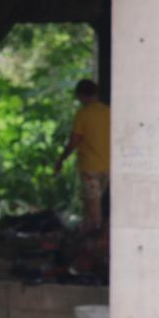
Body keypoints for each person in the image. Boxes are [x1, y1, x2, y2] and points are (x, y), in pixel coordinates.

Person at [54, 79, 110, 232]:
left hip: (90, 167)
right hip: (107, 167)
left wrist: (61, 159)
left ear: (81, 95)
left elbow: (75, 140)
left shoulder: (83, 114)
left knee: (93, 204)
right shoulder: (108, 112)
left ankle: (96, 236)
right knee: (89, 203)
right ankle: (88, 236)